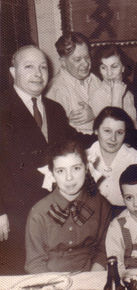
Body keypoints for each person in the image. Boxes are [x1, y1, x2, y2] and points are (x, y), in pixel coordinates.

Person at [0, 45, 86, 274]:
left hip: (52, 210)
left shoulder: (55, 109)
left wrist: (114, 134)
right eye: (29, 67)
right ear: (12, 72)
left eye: (43, 67)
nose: (38, 73)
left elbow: (75, 142)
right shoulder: (2, 108)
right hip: (15, 215)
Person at [25, 139, 112, 273]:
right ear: (52, 174)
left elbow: (103, 251)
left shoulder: (101, 205)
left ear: (87, 168)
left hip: (90, 277)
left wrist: (91, 281)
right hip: (49, 282)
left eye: (76, 168)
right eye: (60, 171)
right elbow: (35, 263)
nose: (69, 178)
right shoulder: (39, 213)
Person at [86, 107, 137, 215]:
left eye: (119, 132)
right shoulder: (84, 158)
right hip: (90, 216)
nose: (113, 138)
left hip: (125, 215)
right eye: (107, 131)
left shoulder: (135, 158)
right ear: (96, 130)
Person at [47, 32, 102, 134]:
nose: (85, 63)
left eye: (87, 57)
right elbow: (55, 132)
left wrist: (95, 113)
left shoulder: (94, 79)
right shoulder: (55, 89)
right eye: (78, 59)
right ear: (63, 62)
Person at [91, 45, 137, 129]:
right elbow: (112, 130)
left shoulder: (129, 94)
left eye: (114, 66)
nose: (109, 73)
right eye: (103, 68)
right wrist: (117, 97)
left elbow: (135, 127)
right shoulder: (97, 95)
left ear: (123, 68)